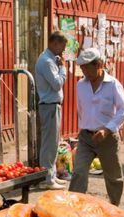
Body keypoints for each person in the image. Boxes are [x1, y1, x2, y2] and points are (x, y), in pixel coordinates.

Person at [69, 48, 124, 206]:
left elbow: (123, 110)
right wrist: (86, 127)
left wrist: (107, 129)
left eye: (87, 68)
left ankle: (115, 207)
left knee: (113, 176)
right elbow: (81, 109)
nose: (84, 72)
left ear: (99, 65)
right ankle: (75, 207)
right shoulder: (81, 85)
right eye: (82, 68)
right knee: (79, 173)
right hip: (86, 137)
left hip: (107, 137)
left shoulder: (113, 84)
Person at [35, 31, 69, 189]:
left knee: (53, 143)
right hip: (49, 105)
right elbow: (57, 84)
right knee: (49, 144)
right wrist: (63, 69)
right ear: (55, 43)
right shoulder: (47, 61)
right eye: (63, 46)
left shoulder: (50, 59)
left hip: (52, 105)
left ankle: (52, 176)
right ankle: (47, 179)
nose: (63, 50)